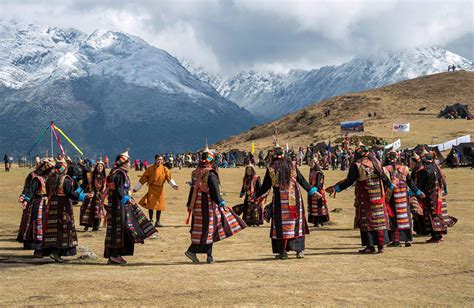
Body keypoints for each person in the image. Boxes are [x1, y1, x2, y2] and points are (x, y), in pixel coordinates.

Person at [254, 145, 319, 259]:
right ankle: (299, 251)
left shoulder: (271, 167)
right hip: (294, 197)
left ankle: (283, 252)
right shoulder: (292, 165)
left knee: (281, 226)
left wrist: (255, 195)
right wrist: (312, 191)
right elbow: (302, 180)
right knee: (296, 223)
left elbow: (265, 186)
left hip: (279, 200)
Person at [184, 147, 246, 264]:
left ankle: (208, 255)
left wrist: (189, 204)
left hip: (196, 204)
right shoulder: (210, 173)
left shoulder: (195, 172)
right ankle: (198, 252)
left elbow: (193, 190)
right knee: (209, 229)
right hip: (207, 204)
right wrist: (221, 202)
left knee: (201, 229)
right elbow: (214, 190)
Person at [326, 143, 392, 254]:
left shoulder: (357, 165)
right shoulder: (376, 162)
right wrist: (390, 187)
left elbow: (349, 181)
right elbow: (385, 179)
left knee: (368, 221)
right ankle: (381, 245)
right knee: (379, 220)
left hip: (366, 197)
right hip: (379, 197)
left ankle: (370, 246)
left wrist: (336, 188)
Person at [104, 149, 157, 265]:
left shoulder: (115, 172)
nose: (130, 164)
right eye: (128, 163)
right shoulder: (119, 174)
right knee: (121, 229)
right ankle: (114, 255)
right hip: (119, 206)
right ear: (123, 163)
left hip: (118, 205)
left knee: (119, 230)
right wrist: (127, 200)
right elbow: (119, 191)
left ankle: (116, 255)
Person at [42, 157, 90, 263]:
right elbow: (71, 195)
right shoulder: (65, 180)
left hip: (52, 207)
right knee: (64, 229)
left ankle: (50, 251)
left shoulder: (50, 179)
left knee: (53, 229)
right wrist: (84, 196)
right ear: (65, 168)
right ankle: (57, 253)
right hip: (63, 207)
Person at [416, 151, 457, 243]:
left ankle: (436, 236)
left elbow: (421, 184)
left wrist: (417, 192)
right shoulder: (436, 167)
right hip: (438, 193)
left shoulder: (424, 170)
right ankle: (440, 234)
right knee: (438, 213)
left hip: (429, 194)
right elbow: (442, 179)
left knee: (432, 214)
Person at [17, 158, 55, 255]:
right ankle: (34, 245)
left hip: (46, 203)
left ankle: (44, 247)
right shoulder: (36, 177)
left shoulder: (51, 178)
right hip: (37, 202)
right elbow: (29, 188)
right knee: (35, 223)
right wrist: (25, 198)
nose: (52, 172)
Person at [133, 154, 179, 227]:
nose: (159, 161)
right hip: (152, 188)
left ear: (162, 160)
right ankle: (150, 220)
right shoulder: (150, 168)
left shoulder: (165, 169)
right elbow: (143, 178)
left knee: (159, 206)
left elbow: (169, 178)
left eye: (161, 159)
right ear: (155, 160)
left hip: (160, 189)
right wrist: (136, 188)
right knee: (150, 205)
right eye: (158, 159)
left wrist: (174, 185)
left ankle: (158, 221)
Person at [382, 150, 413, 247]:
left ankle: (396, 240)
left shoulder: (386, 169)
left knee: (393, 218)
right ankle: (408, 239)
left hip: (392, 197)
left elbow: (384, 183)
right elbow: (410, 183)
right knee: (405, 216)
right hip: (404, 196)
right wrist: (418, 192)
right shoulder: (405, 168)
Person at [80, 161, 107, 231]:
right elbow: (86, 184)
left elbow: (105, 186)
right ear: (96, 167)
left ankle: (96, 227)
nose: (100, 168)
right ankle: (87, 225)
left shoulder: (104, 176)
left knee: (98, 211)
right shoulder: (91, 175)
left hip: (100, 196)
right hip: (91, 194)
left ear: (103, 168)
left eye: (101, 166)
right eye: (98, 166)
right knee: (88, 210)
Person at [307, 155, 330, 227]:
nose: (310, 164)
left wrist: (314, 190)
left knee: (319, 207)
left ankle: (320, 222)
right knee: (313, 208)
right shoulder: (312, 171)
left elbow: (319, 183)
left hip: (318, 191)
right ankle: (315, 221)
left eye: (311, 162)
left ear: (315, 163)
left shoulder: (319, 172)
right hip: (312, 191)